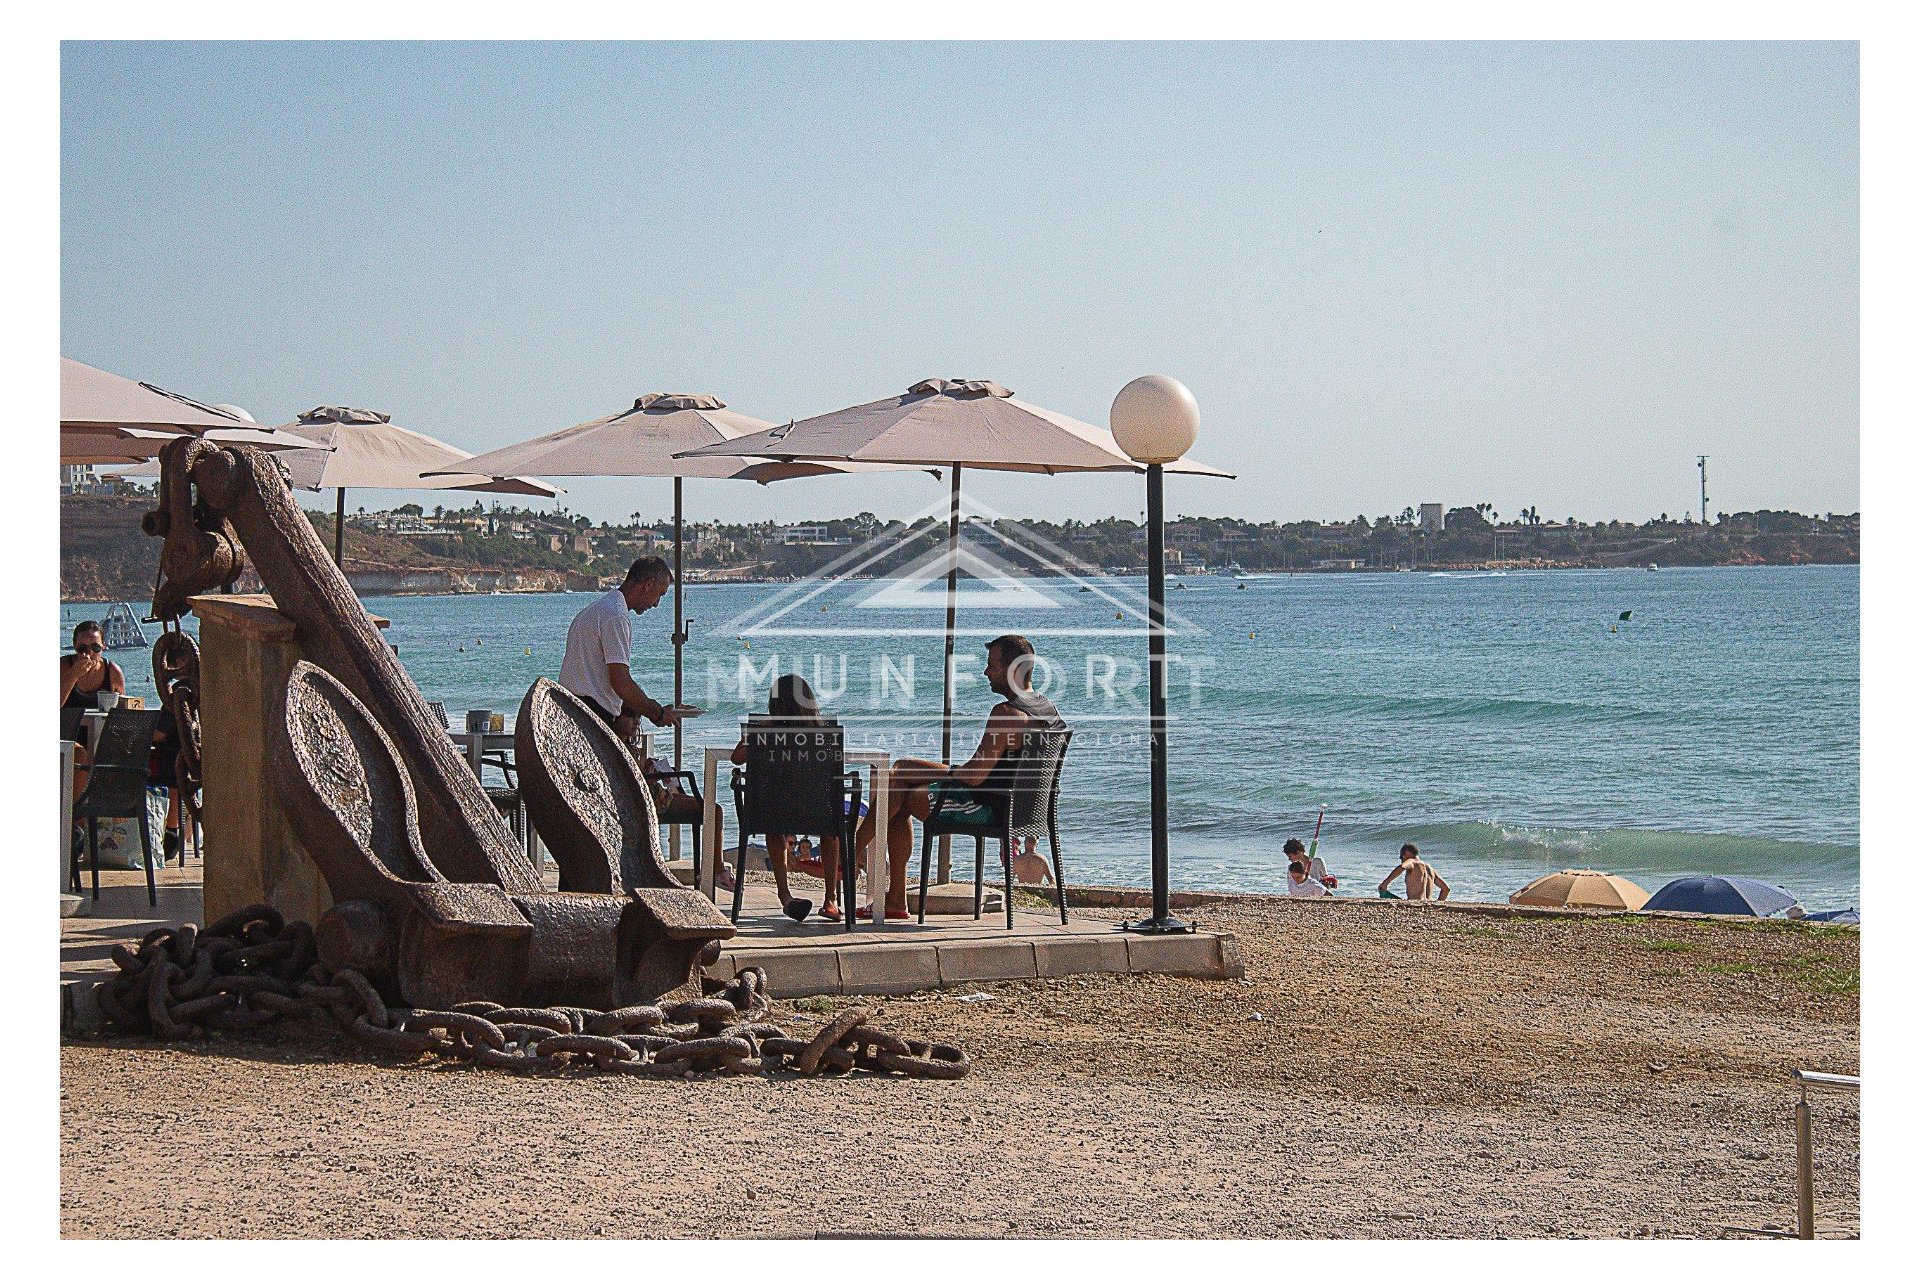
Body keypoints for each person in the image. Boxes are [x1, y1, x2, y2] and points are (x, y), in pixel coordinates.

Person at [850, 634, 1066, 920]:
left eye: (992, 665)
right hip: (1021, 811)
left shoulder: (1007, 714)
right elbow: (978, 773)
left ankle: (855, 854)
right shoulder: (1048, 710)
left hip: (988, 810)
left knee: (900, 784)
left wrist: (919, 769)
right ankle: (884, 886)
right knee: (900, 779)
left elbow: (974, 776)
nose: (986, 672)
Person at [558, 558, 714, 873]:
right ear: (644, 585)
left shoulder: (594, 611)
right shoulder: (616, 616)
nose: (657, 604)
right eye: (658, 595)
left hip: (577, 714)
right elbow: (620, 680)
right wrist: (656, 712)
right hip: (593, 721)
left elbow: (598, 678)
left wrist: (628, 709)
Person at [729, 674, 848, 923]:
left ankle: (785, 896)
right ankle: (831, 899)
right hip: (818, 812)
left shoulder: (764, 732)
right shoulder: (824, 734)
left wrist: (750, 736)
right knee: (831, 830)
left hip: (775, 815)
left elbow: (736, 758)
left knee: (774, 827)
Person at [61, 621, 125, 803]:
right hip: (65, 735)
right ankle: (77, 820)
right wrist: (73, 675)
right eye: (83, 648)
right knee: (80, 755)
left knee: (125, 753)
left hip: (99, 737)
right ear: (74, 648)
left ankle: (116, 818)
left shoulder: (111, 671)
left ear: (104, 646)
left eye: (95, 647)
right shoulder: (64, 667)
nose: (89, 653)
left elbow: (123, 711)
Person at [1378, 842, 1450, 901]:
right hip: (1429, 903)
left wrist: (1385, 883)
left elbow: (1401, 867)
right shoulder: (1430, 868)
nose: (1401, 860)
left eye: (1401, 857)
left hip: (1416, 902)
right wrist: (1437, 903)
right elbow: (1446, 889)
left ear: (1407, 853)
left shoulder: (1412, 862)